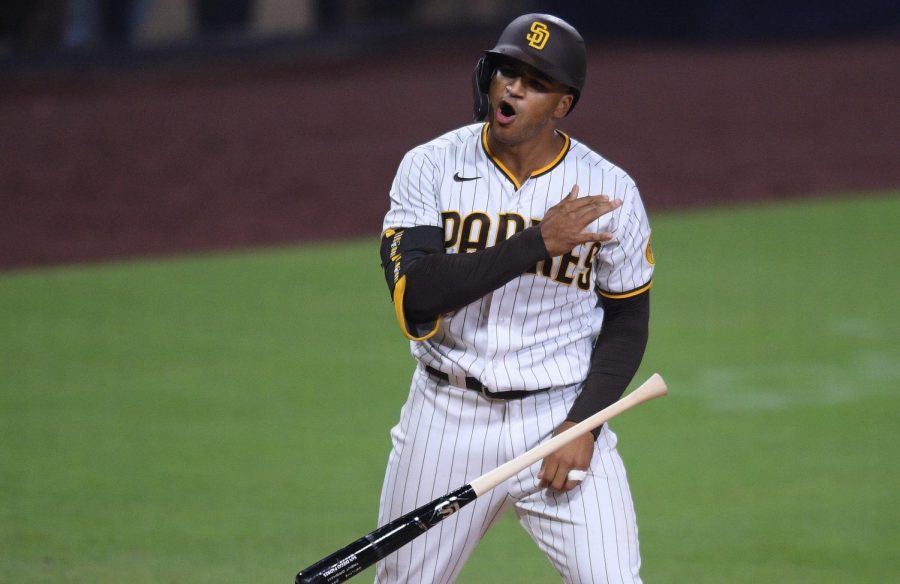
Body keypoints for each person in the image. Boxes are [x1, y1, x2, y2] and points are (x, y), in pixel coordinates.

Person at [377, 13, 655, 584]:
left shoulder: (611, 191)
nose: (513, 86)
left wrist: (585, 425)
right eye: (506, 69)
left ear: (562, 105)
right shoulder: (430, 166)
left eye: (535, 79)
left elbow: (627, 322)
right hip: (445, 418)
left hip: (560, 413)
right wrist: (537, 242)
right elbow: (418, 296)